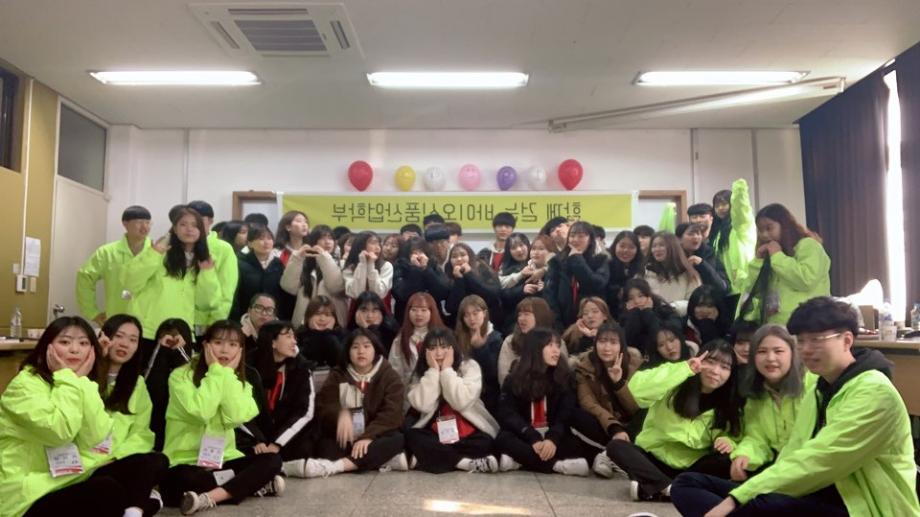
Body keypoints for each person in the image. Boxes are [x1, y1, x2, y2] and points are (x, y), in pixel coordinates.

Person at [671, 297, 920, 517]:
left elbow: (822, 458)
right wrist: (751, 482)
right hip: (813, 485)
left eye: (817, 340)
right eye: (801, 341)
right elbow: (792, 449)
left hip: (861, 505)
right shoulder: (820, 389)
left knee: (757, 505)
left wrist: (740, 497)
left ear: (846, 340)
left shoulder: (874, 392)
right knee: (687, 483)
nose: (806, 349)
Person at [0, 317, 167, 517]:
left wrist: (80, 382)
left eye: (83, 343)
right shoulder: (25, 384)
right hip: (25, 495)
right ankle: (143, 503)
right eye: (65, 342)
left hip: (63, 478)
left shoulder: (81, 384)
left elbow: (96, 436)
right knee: (107, 492)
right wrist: (69, 378)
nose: (75, 349)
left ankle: (136, 507)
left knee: (134, 472)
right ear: (47, 347)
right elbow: (58, 433)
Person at [159, 321, 283, 514]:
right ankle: (249, 485)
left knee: (272, 460)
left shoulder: (239, 381)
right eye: (218, 343)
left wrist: (224, 374)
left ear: (240, 351)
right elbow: (202, 412)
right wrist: (217, 372)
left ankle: (210, 498)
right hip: (185, 462)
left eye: (233, 345)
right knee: (182, 480)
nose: (225, 350)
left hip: (223, 459)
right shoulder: (180, 376)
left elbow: (236, 417)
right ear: (205, 345)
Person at [606, 340, 741, 502]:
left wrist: (728, 442)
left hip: (691, 469)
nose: (715, 371)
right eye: (710, 362)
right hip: (654, 460)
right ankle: (672, 489)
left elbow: (736, 436)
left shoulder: (729, 403)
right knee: (616, 446)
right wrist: (685, 369)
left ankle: (657, 488)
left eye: (724, 367)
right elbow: (637, 390)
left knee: (730, 458)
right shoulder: (676, 379)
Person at [302, 329, 407, 477]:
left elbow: (392, 413)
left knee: (397, 439)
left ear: (376, 350)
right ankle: (379, 460)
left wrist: (368, 436)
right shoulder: (338, 374)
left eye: (366, 346)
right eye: (355, 347)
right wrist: (340, 414)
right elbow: (324, 403)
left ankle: (338, 466)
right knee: (325, 448)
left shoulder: (389, 376)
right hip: (347, 436)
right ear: (348, 351)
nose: (361, 351)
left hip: (375, 436)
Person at [494, 327, 591, 476]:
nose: (556, 351)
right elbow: (507, 413)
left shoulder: (564, 377)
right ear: (535, 348)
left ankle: (520, 461)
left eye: (558, 346)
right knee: (502, 439)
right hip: (526, 434)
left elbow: (565, 413)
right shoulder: (514, 379)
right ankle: (556, 466)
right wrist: (531, 436)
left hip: (552, 434)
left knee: (575, 446)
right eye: (550, 345)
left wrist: (552, 439)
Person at [405, 328, 501, 473]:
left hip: (468, 430)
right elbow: (423, 405)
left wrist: (446, 371)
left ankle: (431, 458)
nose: (438, 353)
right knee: (413, 436)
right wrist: (433, 372)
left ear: (453, 348)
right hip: (436, 432)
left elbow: (461, 402)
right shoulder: (421, 371)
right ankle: (466, 463)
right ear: (426, 351)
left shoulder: (470, 366)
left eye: (444, 347)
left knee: (485, 443)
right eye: (433, 348)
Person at [122, 205, 219, 345]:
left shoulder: (205, 261)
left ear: (201, 231)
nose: (189, 229)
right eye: (183, 224)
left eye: (194, 225)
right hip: (148, 331)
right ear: (174, 229)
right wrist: (154, 254)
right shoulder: (158, 253)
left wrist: (207, 274)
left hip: (180, 333)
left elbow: (206, 303)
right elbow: (130, 282)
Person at [728, 325, 814, 482]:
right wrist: (744, 455)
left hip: (811, 470)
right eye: (762, 352)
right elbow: (757, 438)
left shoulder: (813, 386)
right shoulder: (755, 395)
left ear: (793, 353)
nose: (770, 358)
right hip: (778, 470)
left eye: (778, 351)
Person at [737, 203, 831, 325]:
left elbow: (806, 280)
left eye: (769, 228)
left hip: (809, 324)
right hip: (776, 325)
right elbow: (753, 290)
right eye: (760, 230)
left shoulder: (809, 245)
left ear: (785, 225)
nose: (764, 235)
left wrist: (777, 256)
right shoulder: (771, 255)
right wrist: (758, 261)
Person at [248, 321, 318, 479]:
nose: (294, 342)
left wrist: (277, 443)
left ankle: (275, 469)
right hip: (256, 434)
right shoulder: (249, 366)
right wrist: (257, 440)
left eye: (294, 337)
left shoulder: (301, 367)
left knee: (303, 449)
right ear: (272, 342)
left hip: (286, 434)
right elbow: (238, 409)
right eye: (288, 336)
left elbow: (305, 412)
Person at [574, 322, 640, 478]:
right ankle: (613, 452)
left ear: (621, 346)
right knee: (576, 414)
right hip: (604, 424)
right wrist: (614, 428)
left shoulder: (635, 366)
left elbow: (635, 408)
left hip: (631, 424)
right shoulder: (584, 367)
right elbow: (588, 402)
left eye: (613, 342)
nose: (607, 347)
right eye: (602, 341)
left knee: (646, 414)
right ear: (595, 343)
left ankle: (609, 454)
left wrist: (618, 384)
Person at [76, 205, 152, 326]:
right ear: (125, 224)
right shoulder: (107, 253)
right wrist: (92, 312)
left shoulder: (157, 252)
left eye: (148, 222)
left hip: (151, 324)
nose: (145, 227)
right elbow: (85, 277)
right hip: (117, 322)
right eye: (139, 222)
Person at [544, 221, 610, 328]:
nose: (575, 240)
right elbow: (550, 294)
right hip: (563, 320)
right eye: (572, 236)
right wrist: (556, 321)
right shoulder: (557, 262)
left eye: (581, 236)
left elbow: (596, 284)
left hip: (592, 320)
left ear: (590, 240)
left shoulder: (600, 260)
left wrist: (577, 259)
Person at [187, 200, 240, 335]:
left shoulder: (223, 249)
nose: (194, 225)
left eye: (199, 219)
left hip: (204, 322)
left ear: (210, 221)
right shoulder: (177, 246)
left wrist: (216, 323)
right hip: (177, 316)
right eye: (189, 221)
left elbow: (227, 290)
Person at [143, 318, 195, 451]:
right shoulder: (149, 360)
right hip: (153, 431)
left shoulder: (196, 362)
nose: (171, 342)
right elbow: (149, 389)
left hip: (185, 437)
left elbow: (192, 385)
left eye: (176, 338)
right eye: (165, 338)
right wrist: (160, 351)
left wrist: (180, 351)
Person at [280, 225, 347, 328]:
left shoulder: (341, 264)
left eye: (330, 238)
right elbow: (289, 287)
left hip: (333, 324)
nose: (327, 242)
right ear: (313, 241)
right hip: (304, 324)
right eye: (322, 238)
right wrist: (297, 259)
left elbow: (335, 287)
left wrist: (325, 258)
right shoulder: (305, 264)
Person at [454, 295, 504, 412]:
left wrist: (480, 348)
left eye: (475, 313)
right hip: (462, 393)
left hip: (487, 396)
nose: (471, 318)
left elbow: (493, 374)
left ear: (484, 313)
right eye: (466, 315)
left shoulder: (496, 338)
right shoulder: (456, 338)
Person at [709, 179, 757, 298]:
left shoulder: (741, 225)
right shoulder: (718, 231)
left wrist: (739, 190)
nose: (720, 208)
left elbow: (741, 210)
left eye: (724, 204)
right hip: (727, 284)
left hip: (743, 284)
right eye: (717, 205)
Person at [619, 278, 682, 362]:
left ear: (649, 296)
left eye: (641, 296)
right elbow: (627, 341)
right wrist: (633, 314)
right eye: (631, 298)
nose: (636, 301)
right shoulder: (625, 318)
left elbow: (659, 335)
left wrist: (647, 311)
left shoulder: (665, 311)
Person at [231, 225, 285, 321]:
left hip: (271, 316)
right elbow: (235, 293)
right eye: (261, 238)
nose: (266, 242)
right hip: (245, 316)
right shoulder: (240, 263)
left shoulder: (278, 264)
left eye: (269, 238)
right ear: (250, 243)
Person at [391, 237, 451, 324]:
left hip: (433, 317)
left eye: (421, 252)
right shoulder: (399, 266)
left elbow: (443, 292)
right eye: (414, 253)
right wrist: (415, 269)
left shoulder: (433, 265)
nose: (418, 256)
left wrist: (426, 269)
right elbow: (401, 294)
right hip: (405, 318)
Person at [497, 297, 556, 386]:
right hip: (517, 391)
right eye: (519, 315)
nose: (521, 318)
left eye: (526, 314)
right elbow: (504, 378)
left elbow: (561, 377)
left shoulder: (555, 342)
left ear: (540, 316)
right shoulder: (510, 342)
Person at [388, 292, 443, 386]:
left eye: (423, 310)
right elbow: (394, 370)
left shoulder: (442, 336)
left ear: (432, 312)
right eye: (414, 310)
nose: (418, 314)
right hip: (409, 389)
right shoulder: (401, 338)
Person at [444, 242, 503, 328]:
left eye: (463, 255)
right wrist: (459, 280)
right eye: (454, 257)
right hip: (462, 324)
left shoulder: (482, 268)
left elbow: (492, 295)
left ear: (470, 256)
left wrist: (469, 274)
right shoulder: (449, 274)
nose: (459, 259)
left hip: (489, 320)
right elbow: (451, 308)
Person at [500, 234, 550, 332]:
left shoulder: (542, 267)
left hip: (541, 318)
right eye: (513, 248)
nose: (519, 250)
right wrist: (522, 290)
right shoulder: (507, 271)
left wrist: (543, 288)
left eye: (521, 245)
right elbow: (503, 296)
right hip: (515, 321)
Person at [644, 232, 701, 316]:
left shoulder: (688, 274)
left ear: (673, 247)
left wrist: (672, 307)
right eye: (654, 246)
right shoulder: (645, 272)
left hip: (678, 318)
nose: (657, 249)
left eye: (661, 245)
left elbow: (695, 302)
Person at [343, 231, 394, 303]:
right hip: (358, 307)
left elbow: (379, 293)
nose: (378, 247)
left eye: (379, 243)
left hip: (380, 307)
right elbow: (356, 293)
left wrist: (371, 265)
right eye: (373, 243)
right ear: (361, 246)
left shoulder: (386, 266)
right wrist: (362, 263)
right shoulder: (350, 267)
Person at [677, 223, 729, 293]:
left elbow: (719, 286)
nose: (695, 237)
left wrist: (701, 263)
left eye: (698, 234)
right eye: (690, 234)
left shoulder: (708, 254)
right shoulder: (674, 256)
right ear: (679, 239)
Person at [295, 295, 345, 369]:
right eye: (317, 314)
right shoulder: (299, 336)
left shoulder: (342, 335)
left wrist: (327, 334)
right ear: (309, 316)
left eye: (327, 315)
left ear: (334, 318)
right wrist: (316, 334)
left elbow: (341, 361)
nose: (322, 319)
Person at [347, 291, 400, 356]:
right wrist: (364, 329)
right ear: (356, 312)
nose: (370, 316)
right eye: (364, 310)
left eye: (374, 310)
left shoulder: (391, 332)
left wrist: (372, 329)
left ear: (381, 312)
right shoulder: (348, 333)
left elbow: (383, 356)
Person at [606, 230, 644, 320]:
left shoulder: (642, 268)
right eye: (622, 246)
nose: (626, 250)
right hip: (610, 313)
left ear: (637, 250)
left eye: (631, 247)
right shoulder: (606, 265)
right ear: (615, 246)